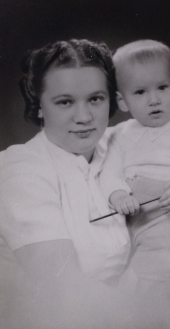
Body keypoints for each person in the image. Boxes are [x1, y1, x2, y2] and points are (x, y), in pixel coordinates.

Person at [0, 39, 139, 329]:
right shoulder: (21, 168)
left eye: (95, 99)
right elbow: (64, 290)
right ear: (38, 105)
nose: (84, 117)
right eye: (65, 102)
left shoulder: (121, 147)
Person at [100, 39, 170, 327]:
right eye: (140, 92)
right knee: (144, 285)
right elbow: (110, 174)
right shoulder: (120, 135)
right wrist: (118, 195)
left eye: (162, 88)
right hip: (151, 230)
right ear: (122, 101)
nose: (154, 99)